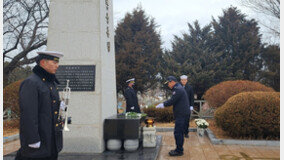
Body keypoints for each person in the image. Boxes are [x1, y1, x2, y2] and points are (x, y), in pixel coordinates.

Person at [15, 51, 65, 160]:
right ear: (43, 62)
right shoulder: (32, 83)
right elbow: (28, 114)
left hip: (51, 141)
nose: (57, 65)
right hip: (38, 143)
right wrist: (33, 140)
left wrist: (60, 108)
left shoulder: (50, 83)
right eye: (54, 62)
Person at [156, 76, 190, 156]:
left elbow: (172, 101)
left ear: (172, 82)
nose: (168, 85)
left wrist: (163, 104)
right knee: (180, 132)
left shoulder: (177, 89)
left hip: (181, 114)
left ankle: (179, 151)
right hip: (183, 113)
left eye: (168, 83)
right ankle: (179, 149)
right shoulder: (178, 87)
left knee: (178, 132)